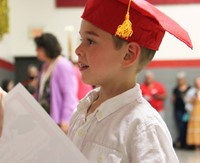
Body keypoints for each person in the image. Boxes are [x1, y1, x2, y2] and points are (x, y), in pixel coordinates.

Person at [0, 0, 193, 162]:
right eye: (80, 39)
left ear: (128, 54)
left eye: (90, 41)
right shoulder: (82, 110)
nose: (78, 50)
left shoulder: (143, 127)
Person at [34, 33, 78, 133]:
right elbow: (40, 92)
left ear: (47, 48)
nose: (36, 51)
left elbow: (69, 94)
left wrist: (65, 119)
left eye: (38, 48)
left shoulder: (63, 65)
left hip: (58, 120)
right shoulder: (45, 66)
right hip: (45, 118)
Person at [172, 72, 191, 149]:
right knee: (181, 126)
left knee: (187, 126)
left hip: (187, 111)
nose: (180, 81)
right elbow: (173, 100)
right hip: (179, 110)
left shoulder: (189, 88)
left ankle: (187, 142)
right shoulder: (176, 89)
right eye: (179, 80)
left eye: (181, 79)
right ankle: (182, 142)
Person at [185, 77, 200, 150]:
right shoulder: (192, 91)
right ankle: (195, 144)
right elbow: (187, 100)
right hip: (194, 112)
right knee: (195, 128)